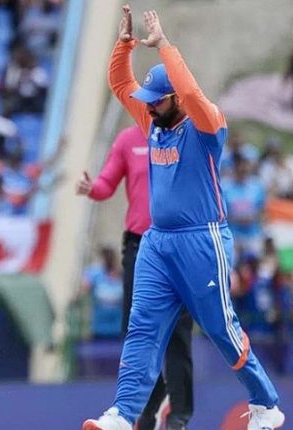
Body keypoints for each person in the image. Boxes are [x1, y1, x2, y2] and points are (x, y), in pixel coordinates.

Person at [83, 6, 284, 430]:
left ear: (176, 98)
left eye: (158, 100)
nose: (149, 107)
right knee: (141, 328)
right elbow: (120, 84)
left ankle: (266, 403)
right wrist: (124, 44)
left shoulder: (207, 127)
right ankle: (123, 414)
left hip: (202, 241)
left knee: (220, 328)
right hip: (157, 243)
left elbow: (192, 92)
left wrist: (165, 46)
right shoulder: (153, 121)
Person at [76, 123, 194, 429]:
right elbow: (107, 183)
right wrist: (92, 188)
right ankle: (151, 402)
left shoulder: (185, 134)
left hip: (177, 242)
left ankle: (179, 415)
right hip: (139, 245)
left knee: (178, 330)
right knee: (134, 327)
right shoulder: (128, 139)